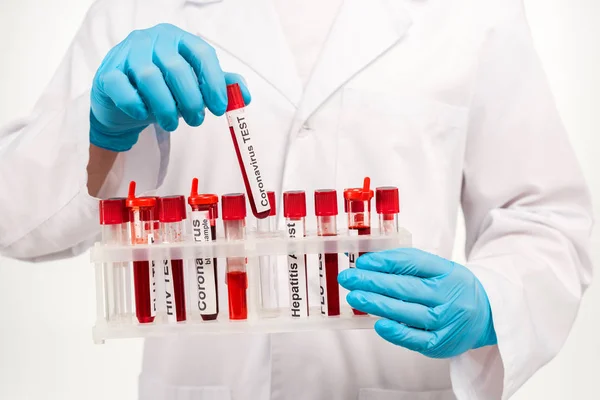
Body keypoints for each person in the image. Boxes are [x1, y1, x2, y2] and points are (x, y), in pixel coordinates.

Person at [0, 0, 592, 399]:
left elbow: (546, 220)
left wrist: (493, 301)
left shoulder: (472, 13)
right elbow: (12, 213)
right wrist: (96, 129)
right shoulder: (140, 7)